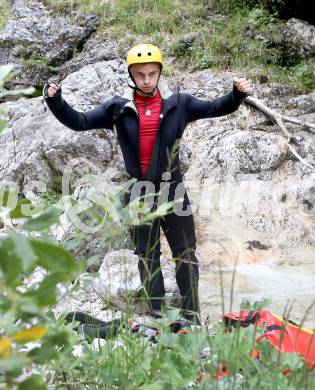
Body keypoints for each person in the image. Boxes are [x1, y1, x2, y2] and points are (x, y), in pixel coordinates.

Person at [43, 43, 252, 324]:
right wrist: (55, 101)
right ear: (131, 74)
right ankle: (157, 315)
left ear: (159, 73)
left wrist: (236, 94)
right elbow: (79, 121)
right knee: (147, 256)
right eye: (140, 74)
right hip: (139, 194)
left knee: (186, 255)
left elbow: (216, 107)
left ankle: (191, 316)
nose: (146, 79)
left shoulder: (180, 104)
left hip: (173, 191)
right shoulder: (117, 109)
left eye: (152, 73)